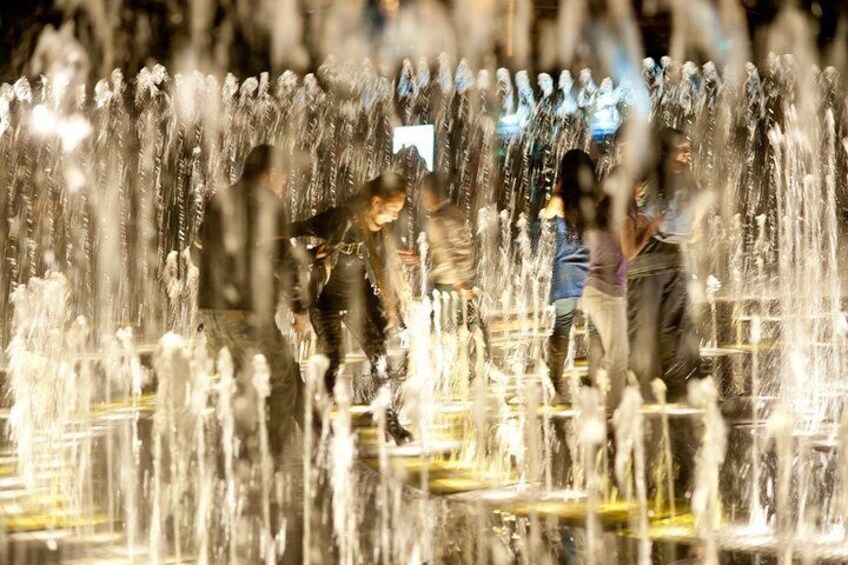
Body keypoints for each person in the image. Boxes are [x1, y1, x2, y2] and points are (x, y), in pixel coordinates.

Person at [196, 144, 309, 460]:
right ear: (271, 174)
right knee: (284, 382)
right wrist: (300, 309)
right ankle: (267, 458)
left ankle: (237, 457)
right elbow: (284, 262)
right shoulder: (268, 202)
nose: (283, 186)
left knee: (245, 384)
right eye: (283, 179)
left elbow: (197, 252)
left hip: (213, 315)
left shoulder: (219, 200)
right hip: (245, 314)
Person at [290, 174, 415, 445]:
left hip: (356, 303)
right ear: (376, 202)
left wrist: (393, 306)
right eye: (392, 210)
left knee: (380, 360)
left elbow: (382, 267)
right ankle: (319, 425)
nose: (394, 217)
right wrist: (307, 258)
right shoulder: (340, 219)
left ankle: (388, 419)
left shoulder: (379, 229)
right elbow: (295, 230)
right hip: (325, 304)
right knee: (334, 361)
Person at [627, 128, 706, 401]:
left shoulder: (685, 182)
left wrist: (692, 227)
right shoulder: (649, 182)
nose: (687, 152)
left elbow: (687, 224)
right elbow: (646, 220)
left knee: (671, 328)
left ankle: (672, 385)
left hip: (675, 265)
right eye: (680, 147)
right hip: (647, 266)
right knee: (644, 330)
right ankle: (643, 388)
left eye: (688, 147)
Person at [582, 171, 662, 410]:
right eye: (636, 184)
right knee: (618, 356)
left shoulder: (603, 213)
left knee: (613, 352)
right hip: (607, 293)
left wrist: (639, 225)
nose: (640, 188)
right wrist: (649, 230)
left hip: (595, 290)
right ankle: (612, 410)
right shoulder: (623, 217)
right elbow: (628, 253)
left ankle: (598, 398)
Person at [542, 149, 597, 400]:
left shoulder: (560, 199)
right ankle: (595, 379)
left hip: (566, 270)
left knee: (562, 324)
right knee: (595, 326)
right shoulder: (596, 197)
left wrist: (558, 188)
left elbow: (546, 215)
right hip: (592, 268)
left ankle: (554, 381)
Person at [420, 174, 489, 375]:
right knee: (472, 325)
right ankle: (480, 367)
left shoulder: (436, 220)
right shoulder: (456, 212)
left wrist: (458, 283)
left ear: (429, 195)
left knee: (445, 330)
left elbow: (444, 254)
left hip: (449, 283)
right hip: (468, 276)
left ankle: (449, 372)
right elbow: (468, 245)